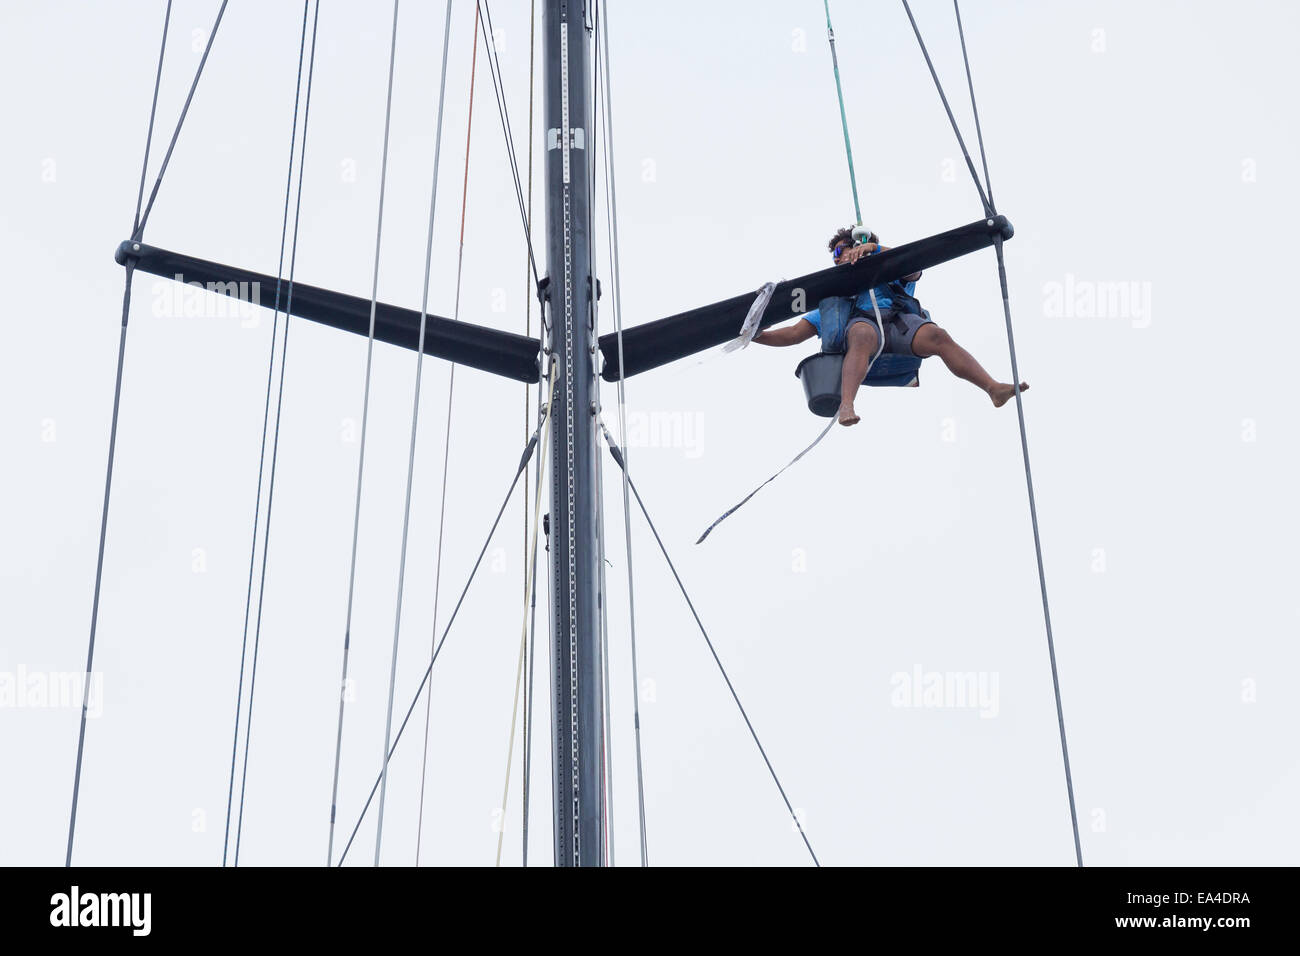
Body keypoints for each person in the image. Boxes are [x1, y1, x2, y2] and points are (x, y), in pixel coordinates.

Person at [753, 226, 1027, 426]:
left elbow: (914, 267)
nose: (839, 256)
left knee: (937, 335)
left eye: (842, 249)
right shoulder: (836, 297)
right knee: (861, 333)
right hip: (863, 331)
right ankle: (846, 404)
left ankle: (992, 388)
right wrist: (756, 336)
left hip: (898, 324)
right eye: (836, 253)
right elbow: (793, 334)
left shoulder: (890, 272)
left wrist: (875, 250)